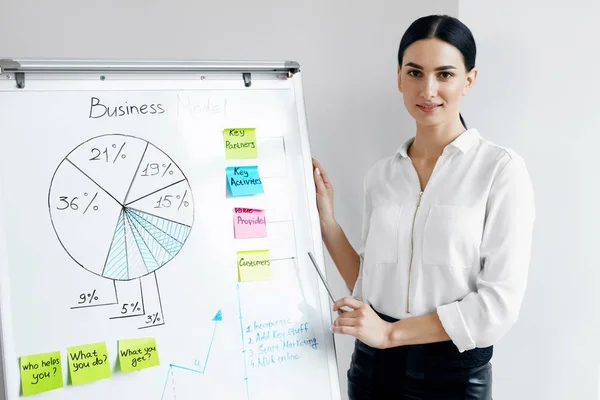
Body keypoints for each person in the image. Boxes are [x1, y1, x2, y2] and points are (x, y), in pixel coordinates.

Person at [312, 14, 535, 400]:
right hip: (371, 372)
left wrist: (391, 333)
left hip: (453, 377)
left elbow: (498, 305)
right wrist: (327, 222)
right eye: (415, 73)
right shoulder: (380, 176)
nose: (428, 90)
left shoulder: (500, 170)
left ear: (469, 80)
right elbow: (370, 285)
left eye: (444, 74)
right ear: (399, 77)